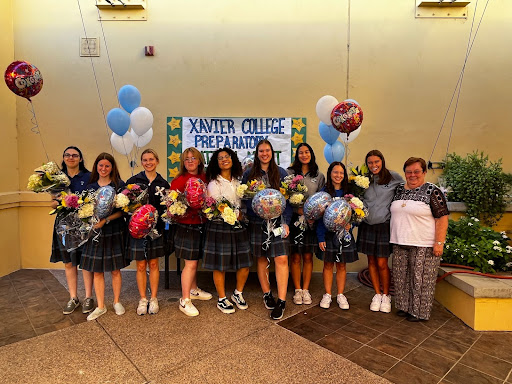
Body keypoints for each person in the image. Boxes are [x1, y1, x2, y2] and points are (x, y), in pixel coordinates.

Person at [390, 157, 449, 322]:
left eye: (416, 171)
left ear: (424, 172)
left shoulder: (432, 191)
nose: (412, 175)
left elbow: (442, 218)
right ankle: (404, 307)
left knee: (421, 280)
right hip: (400, 241)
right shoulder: (399, 190)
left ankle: (419, 312)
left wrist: (439, 243)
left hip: (423, 244)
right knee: (401, 277)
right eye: (409, 172)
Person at [242, 139, 292, 320]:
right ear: (257, 154)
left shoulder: (281, 173)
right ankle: (266, 293)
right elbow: (245, 200)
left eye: (267, 150)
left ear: (272, 153)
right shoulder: (248, 174)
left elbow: (288, 200)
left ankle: (282, 300)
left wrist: (285, 221)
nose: (264, 154)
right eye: (261, 151)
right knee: (262, 258)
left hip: (279, 222)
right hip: (257, 223)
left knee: (281, 258)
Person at [203, 148, 252, 314]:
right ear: (216, 163)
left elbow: (245, 203)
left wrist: (242, 215)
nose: (224, 159)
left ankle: (238, 293)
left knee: (245, 264)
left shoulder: (239, 181)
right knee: (220, 265)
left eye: (227, 156)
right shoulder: (213, 183)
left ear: (233, 160)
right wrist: (233, 214)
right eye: (220, 158)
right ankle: (222, 298)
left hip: (239, 227)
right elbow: (216, 207)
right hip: (219, 227)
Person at [81, 153, 128, 321]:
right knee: (97, 271)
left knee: (115, 269)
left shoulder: (119, 186)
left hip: (113, 230)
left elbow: (123, 211)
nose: (103, 169)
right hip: (94, 232)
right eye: (101, 165)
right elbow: (83, 209)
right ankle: (101, 306)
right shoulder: (90, 186)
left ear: (112, 168)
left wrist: (106, 219)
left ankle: (116, 301)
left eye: (107, 166)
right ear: (96, 167)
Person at [357, 150, 404, 313]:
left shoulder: (394, 177)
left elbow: (406, 191)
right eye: (370, 163)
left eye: (376, 162)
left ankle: (386, 295)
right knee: (371, 261)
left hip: (384, 225)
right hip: (367, 225)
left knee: (382, 263)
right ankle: (377, 294)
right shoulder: (363, 180)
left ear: (382, 161)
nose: (373, 165)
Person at [50, 146, 94, 315]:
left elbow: (91, 200)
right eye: (67, 155)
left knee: (86, 262)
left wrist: (80, 202)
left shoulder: (89, 177)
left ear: (80, 159)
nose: (71, 158)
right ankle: (73, 298)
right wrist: (64, 201)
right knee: (69, 262)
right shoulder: (57, 179)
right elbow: (52, 203)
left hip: (83, 223)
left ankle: (89, 297)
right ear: (63, 158)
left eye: (75, 155)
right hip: (64, 225)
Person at [126, 149, 170, 315]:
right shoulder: (134, 181)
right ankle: (143, 299)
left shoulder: (163, 183)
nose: (148, 162)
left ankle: (154, 298)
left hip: (156, 230)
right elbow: (125, 204)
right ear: (142, 162)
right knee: (141, 265)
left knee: (153, 264)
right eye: (145, 160)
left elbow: (167, 208)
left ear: (157, 161)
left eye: (151, 159)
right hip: (138, 230)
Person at [171, 147, 212, 317]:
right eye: (186, 159)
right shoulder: (179, 180)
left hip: (202, 224)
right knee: (191, 263)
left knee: (195, 260)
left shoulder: (205, 178)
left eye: (193, 158)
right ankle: (185, 299)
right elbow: (171, 206)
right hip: (186, 226)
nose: (190, 162)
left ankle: (193, 290)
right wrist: (180, 208)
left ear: (200, 160)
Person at [287, 143, 325, 306]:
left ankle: (306, 289)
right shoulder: (289, 174)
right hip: (294, 220)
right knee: (295, 256)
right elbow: (285, 196)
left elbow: (323, 199)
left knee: (308, 256)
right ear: (297, 156)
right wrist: (298, 210)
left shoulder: (319, 175)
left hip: (311, 221)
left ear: (311, 154)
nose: (304, 155)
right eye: (301, 152)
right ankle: (297, 290)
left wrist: (311, 214)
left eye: (307, 152)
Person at [317, 162, 358, 310]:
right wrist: (320, 237)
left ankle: (340, 294)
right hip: (328, 235)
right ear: (330, 173)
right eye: (335, 172)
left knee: (341, 265)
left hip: (344, 235)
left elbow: (356, 214)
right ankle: (327, 294)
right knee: (327, 264)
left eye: (341, 173)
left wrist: (351, 225)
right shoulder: (324, 193)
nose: (338, 175)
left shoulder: (350, 193)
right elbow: (319, 217)